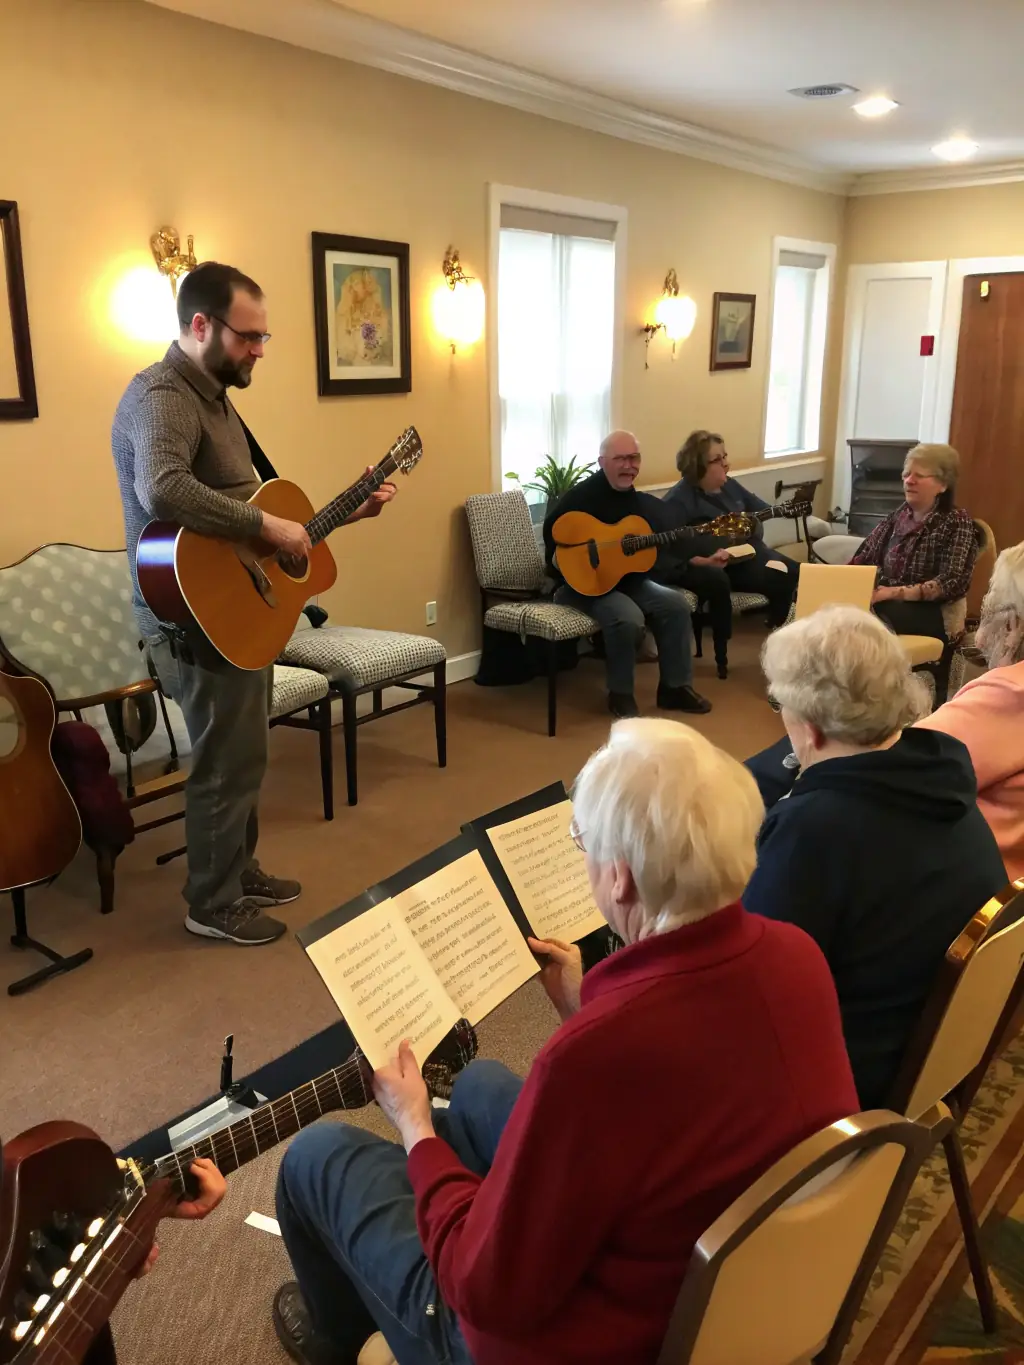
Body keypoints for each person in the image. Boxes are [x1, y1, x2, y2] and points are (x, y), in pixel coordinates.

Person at [271, 720, 858, 1365]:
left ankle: (342, 1340)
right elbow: (680, 1072)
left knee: (319, 1155)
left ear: (623, 879)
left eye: (585, 845)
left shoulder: (590, 1058)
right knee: (477, 1083)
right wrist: (585, 1005)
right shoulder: (795, 954)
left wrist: (414, 1129)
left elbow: (485, 1291)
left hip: (574, 1340)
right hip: (721, 1281)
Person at [111, 262, 396, 946]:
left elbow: (246, 508)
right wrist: (268, 527)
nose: (260, 351)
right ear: (200, 325)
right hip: (191, 616)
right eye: (250, 337)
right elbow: (165, 489)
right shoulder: (161, 393)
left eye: (265, 338)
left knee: (247, 754)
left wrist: (332, 519)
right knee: (225, 759)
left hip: (237, 605)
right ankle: (210, 902)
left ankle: (239, 868)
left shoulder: (213, 394)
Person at [744, 606, 1006, 1110]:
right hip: (929, 1058)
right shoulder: (941, 776)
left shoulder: (815, 829)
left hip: (846, 1083)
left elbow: (751, 993)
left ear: (812, 727)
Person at [542, 430, 710, 719]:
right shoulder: (581, 497)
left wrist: (691, 550)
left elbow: (645, 550)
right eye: (620, 459)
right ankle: (620, 694)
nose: (629, 466)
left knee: (676, 605)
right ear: (602, 461)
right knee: (627, 618)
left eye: (634, 458)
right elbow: (554, 538)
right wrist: (583, 560)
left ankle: (674, 688)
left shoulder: (635, 500)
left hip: (627, 581)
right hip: (582, 586)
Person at [917, 542, 1024, 879]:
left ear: (1013, 624)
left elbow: (891, 769)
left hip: (976, 895)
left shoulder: (1008, 694)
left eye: (992, 590)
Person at [656, 430, 800, 676]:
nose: (726, 464)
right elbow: (670, 552)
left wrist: (782, 511)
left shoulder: (730, 486)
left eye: (725, 457)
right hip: (725, 567)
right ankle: (783, 653)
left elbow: (761, 509)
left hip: (752, 553)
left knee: (798, 572)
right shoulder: (678, 502)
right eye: (718, 459)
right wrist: (704, 560)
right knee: (782, 577)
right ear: (699, 465)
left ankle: (791, 645)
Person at [850, 443, 977, 641]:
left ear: (942, 485)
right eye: (906, 474)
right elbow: (864, 556)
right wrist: (839, 579)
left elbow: (952, 582)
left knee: (871, 609)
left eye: (919, 475)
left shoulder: (956, 521)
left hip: (931, 612)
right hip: (887, 600)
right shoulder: (899, 516)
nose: (909, 481)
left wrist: (895, 593)